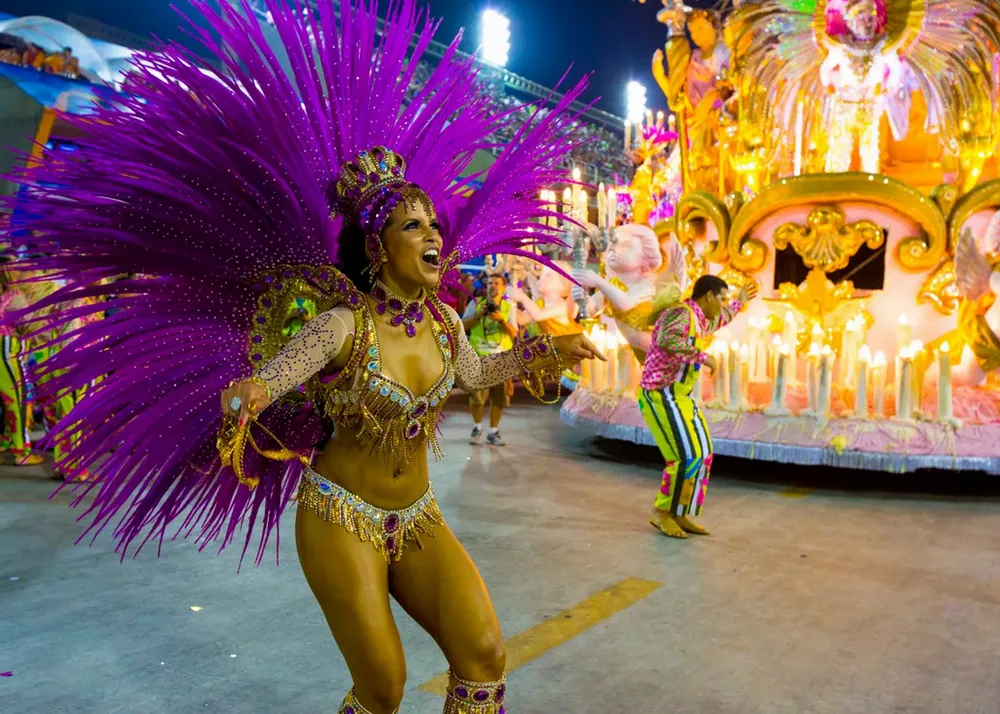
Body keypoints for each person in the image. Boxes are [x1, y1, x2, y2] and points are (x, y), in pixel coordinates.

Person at [5, 1, 602, 712]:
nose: (435, 236)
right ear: (380, 248)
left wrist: (538, 353)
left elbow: (473, 375)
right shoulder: (341, 327)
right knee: (382, 686)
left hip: (417, 515)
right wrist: (248, 396)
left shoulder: (445, 321)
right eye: (415, 227)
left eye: (435, 224)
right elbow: (276, 373)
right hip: (340, 516)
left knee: (485, 656)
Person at [637, 274, 757, 539]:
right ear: (708, 296)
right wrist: (703, 357)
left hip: (680, 396)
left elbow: (721, 318)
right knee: (684, 456)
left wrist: (739, 303)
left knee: (703, 454)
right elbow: (669, 340)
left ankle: (680, 512)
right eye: (721, 298)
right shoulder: (680, 314)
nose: (723, 304)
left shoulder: (701, 320)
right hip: (660, 394)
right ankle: (662, 512)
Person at [462, 273, 520, 446]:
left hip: (502, 358)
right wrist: (478, 315)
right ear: (485, 288)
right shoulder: (475, 304)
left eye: (497, 283)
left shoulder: (509, 307)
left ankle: (493, 431)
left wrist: (502, 320)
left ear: (503, 287)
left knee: (499, 397)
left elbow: (514, 332)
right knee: (477, 397)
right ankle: (477, 426)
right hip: (479, 357)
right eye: (489, 284)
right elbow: (463, 326)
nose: (493, 286)